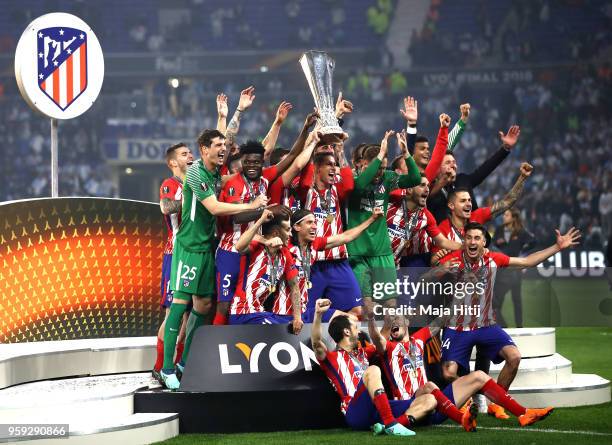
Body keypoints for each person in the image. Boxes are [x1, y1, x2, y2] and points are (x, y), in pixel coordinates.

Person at [160, 129, 268, 390]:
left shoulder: (215, 172)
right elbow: (214, 208)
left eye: (224, 145)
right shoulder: (196, 172)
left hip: (208, 247)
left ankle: (186, 362)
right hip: (189, 246)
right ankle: (166, 368)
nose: (223, 149)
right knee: (181, 303)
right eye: (217, 145)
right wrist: (252, 206)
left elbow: (242, 153)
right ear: (203, 149)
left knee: (205, 303)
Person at [438, 222, 580, 415]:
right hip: (457, 328)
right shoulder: (452, 260)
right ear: (464, 240)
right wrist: (441, 269)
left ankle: (497, 403)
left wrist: (557, 247)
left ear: (483, 243)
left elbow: (527, 262)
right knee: (448, 373)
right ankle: (468, 398)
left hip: (485, 325)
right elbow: (423, 281)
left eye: (477, 238)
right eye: (469, 237)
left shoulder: (494, 259)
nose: (472, 241)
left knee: (514, 357)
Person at [367, 314, 555, 429]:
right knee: (429, 386)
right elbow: (377, 338)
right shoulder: (388, 348)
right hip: (411, 406)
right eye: (390, 321)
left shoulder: (418, 339)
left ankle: (523, 413)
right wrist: (373, 321)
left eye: (397, 318)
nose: (393, 322)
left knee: (480, 376)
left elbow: (441, 321)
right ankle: (460, 418)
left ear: (407, 322)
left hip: (438, 410)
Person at [213, 135, 308, 326]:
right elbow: (237, 217)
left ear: (262, 162)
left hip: (253, 248)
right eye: (247, 162)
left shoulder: (265, 179)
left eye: (256, 162)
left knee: (248, 298)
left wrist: (306, 130)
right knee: (224, 304)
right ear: (242, 162)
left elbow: (291, 158)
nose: (251, 166)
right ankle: (218, 347)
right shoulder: (234, 184)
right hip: (231, 251)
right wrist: (266, 210)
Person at [311, 299, 436, 436]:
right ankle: (391, 424)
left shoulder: (364, 353)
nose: (359, 331)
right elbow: (317, 343)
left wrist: (383, 319)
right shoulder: (331, 358)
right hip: (356, 411)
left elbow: (380, 338)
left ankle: (390, 425)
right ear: (347, 332)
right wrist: (318, 314)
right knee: (373, 370)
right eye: (355, 327)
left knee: (430, 400)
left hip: (377, 408)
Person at [346, 130, 421, 315]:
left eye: (383, 167)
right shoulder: (354, 180)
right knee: (366, 308)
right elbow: (361, 184)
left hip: (383, 253)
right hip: (358, 254)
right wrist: (379, 155)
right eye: (378, 167)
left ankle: (387, 342)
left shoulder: (387, 179)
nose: (381, 172)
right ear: (364, 164)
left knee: (390, 305)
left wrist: (406, 154)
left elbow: (415, 179)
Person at [299, 136, 363, 318]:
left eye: (334, 165)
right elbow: (304, 171)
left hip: (339, 262)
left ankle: (343, 344)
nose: (334, 168)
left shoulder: (336, 190)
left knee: (357, 311)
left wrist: (340, 153)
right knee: (307, 314)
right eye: (329, 164)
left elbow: (349, 183)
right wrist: (316, 142)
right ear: (317, 168)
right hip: (313, 264)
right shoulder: (306, 191)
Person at [285, 207, 384, 323]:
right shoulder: (285, 249)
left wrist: (372, 219)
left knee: (353, 318)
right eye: (309, 222)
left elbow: (346, 237)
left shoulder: (313, 245)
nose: (315, 226)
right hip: (290, 311)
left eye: (315, 222)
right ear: (297, 227)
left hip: (305, 308)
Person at [152, 143, 194, 382]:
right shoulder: (171, 184)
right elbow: (166, 207)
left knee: (188, 316)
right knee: (173, 315)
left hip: (195, 254)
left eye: (190, 152)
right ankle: (160, 367)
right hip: (176, 253)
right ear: (172, 163)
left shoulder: (197, 182)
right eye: (183, 154)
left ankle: (177, 366)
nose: (189, 156)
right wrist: (196, 200)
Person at [228, 210, 303, 333]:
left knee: (288, 330)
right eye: (288, 230)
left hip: (260, 313)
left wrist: (297, 318)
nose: (291, 234)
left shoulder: (285, 254)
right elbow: (239, 246)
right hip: (243, 312)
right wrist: (261, 221)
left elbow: (294, 286)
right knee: (279, 333)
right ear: (275, 233)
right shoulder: (256, 246)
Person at [428, 126, 522, 223]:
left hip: (473, 232)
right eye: (448, 162)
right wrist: (443, 182)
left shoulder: (463, 180)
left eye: (454, 162)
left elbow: (486, 168)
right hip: (444, 236)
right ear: (438, 168)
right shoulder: (431, 189)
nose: (453, 165)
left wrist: (505, 149)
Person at [435, 162, 534, 248]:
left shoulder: (477, 216)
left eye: (469, 200)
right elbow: (435, 260)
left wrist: (522, 178)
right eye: (463, 201)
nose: (469, 204)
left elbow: (507, 202)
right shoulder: (442, 229)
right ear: (451, 205)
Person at [492, 208, 535, 327]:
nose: (504, 217)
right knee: (497, 300)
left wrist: (523, 256)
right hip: (502, 270)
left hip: (515, 269)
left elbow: (533, 243)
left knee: (516, 300)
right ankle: (499, 325)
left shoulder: (521, 232)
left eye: (506, 215)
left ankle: (519, 327)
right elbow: (493, 245)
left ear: (513, 217)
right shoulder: (499, 230)